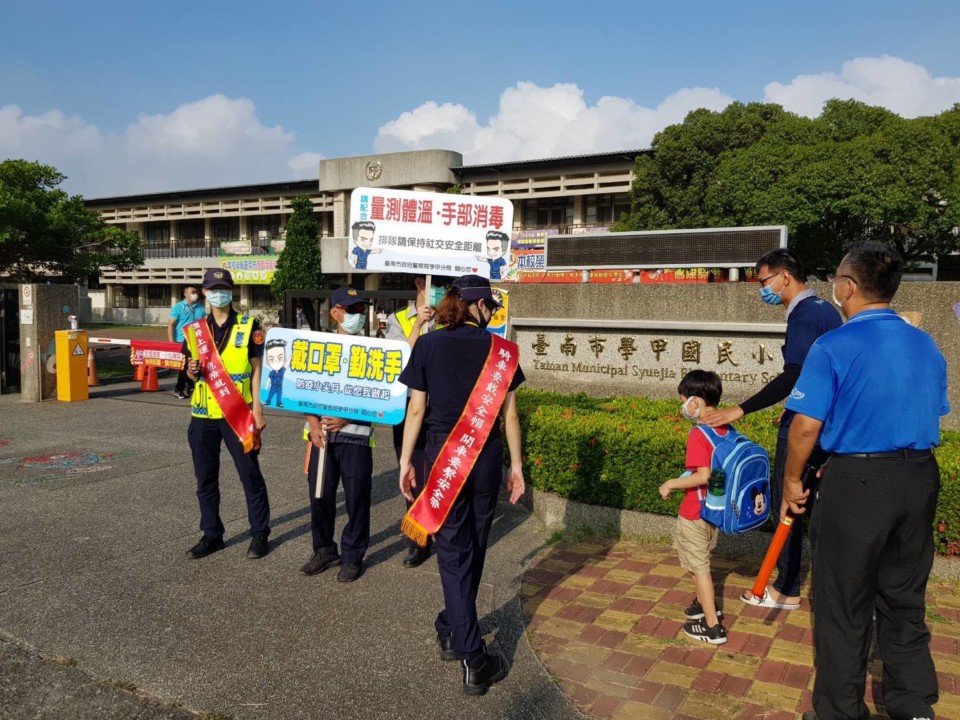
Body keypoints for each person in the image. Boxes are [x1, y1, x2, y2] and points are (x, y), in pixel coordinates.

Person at [783, 243, 948, 720]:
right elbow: (932, 409)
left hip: (857, 482)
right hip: (918, 477)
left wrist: (793, 482)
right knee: (903, 598)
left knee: (842, 605)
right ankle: (913, 705)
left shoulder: (833, 344)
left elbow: (805, 427)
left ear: (848, 286)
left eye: (835, 278)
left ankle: (838, 710)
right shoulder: (925, 343)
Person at [398, 274, 525, 696]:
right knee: (473, 546)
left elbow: (416, 410)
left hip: (442, 459)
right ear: (480, 306)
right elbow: (509, 416)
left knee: (453, 554)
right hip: (485, 459)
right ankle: (472, 656)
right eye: (491, 307)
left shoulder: (429, 344)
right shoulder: (502, 352)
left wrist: (405, 461)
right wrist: (517, 467)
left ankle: (454, 630)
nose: (492, 314)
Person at [699, 248, 841, 610]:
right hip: (825, 420)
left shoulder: (805, 317)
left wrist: (741, 409)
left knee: (788, 502)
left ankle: (786, 588)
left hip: (809, 428)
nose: (762, 289)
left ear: (785, 277)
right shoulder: (825, 310)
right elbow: (818, 377)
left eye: (763, 281)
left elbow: (794, 373)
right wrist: (794, 405)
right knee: (814, 508)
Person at [183, 268, 270, 560]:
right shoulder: (195, 330)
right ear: (204, 292)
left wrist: (258, 408)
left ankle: (259, 533)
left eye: (224, 287)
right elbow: (189, 369)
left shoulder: (249, 325)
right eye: (213, 288)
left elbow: (258, 369)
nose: (219, 293)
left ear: (232, 291)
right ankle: (212, 534)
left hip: (238, 413)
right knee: (205, 479)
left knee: (249, 475)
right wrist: (190, 369)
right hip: (203, 414)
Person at [300, 287, 375, 583]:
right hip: (320, 437)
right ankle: (323, 549)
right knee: (320, 496)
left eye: (360, 310)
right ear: (335, 313)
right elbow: (301, 390)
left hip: (356, 436)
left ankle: (353, 554)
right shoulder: (318, 347)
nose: (357, 315)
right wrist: (313, 424)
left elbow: (380, 397)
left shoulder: (372, 350)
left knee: (357, 497)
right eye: (351, 310)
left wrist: (348, 416)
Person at [384, 274, 453, 568]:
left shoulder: (451, 317)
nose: (437, 289)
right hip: (408, 408)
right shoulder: (397, 318)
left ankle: (444, 532)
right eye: (433, 283)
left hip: (441, 409)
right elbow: (396, 362)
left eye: (442, 284)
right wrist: (417, 326)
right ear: (418, 283)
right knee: (411, 472)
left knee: (441, 473)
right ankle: (418, 539)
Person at [659, 370, 729, 645]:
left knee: (699, 568)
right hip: (715, 510)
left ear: (697, 402)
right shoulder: (725, 428)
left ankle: (713, 627)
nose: (683, 406)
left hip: (694, 511)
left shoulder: (699, 433)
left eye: (684, 400)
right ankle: (703, 603)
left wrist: (670, 484)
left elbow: (703, 475)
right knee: (696, 563)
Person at [168, 284, 205, 399]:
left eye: (196, 292)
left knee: (194, 366)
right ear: (185, 294)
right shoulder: (178, 307)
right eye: (193, 292)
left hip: (195, 342)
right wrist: (171, 343)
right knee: (184, 367)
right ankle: (178, 389)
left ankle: (189, 387)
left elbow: (203, 325)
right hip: (181, 341)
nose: (195, 294)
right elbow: (171, 325)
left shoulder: (200, 308)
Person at [264, 338, 286, 408]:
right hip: (273, 386)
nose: (276, 362)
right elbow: (269, 378)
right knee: (270, 394)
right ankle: (268, 401)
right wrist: (267, 385)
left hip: (280, 386)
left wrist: (291, 358)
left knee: (279, 395)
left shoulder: (282, 370)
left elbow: (286, 365)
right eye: (271, 359)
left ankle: (278, 403)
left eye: (280, 358)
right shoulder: (272, 372)